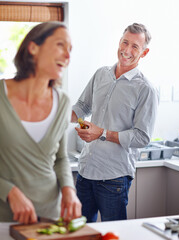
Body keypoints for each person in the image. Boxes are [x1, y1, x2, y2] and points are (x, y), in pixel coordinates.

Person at [71, 23, 159, 222]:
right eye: (125, 42)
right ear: (119, 41)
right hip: (85, 172)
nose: (127, 50)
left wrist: (101, 133)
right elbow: (83, 106)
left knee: (113, 234)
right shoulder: (101, 74)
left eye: (135, 46)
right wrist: (54, 114)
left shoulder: (145, 89)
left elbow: (142, 137)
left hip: (114, 179)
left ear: (144, 53)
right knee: (80, 234)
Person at [0, 21, 81, 224]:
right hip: (5, 217)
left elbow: (61, 158)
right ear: (33, 47)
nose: (68, 56)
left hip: (50, 215)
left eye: (70, 50)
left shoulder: (63, 102)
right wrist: (9, 191)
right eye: (61, 45)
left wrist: (69, 191)